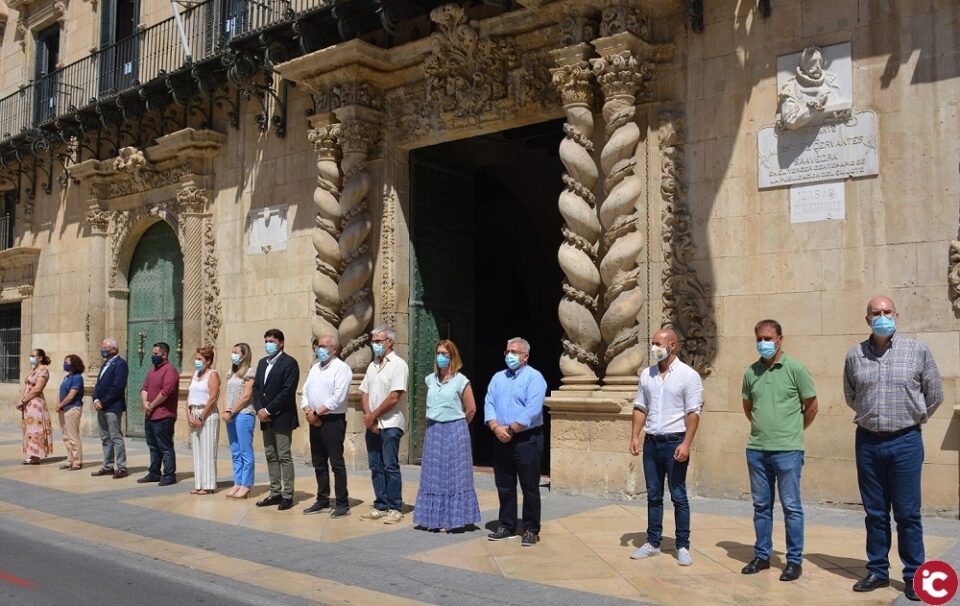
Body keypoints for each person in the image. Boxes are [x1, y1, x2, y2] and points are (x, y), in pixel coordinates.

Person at [844, 296, 943, 603]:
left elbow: (935, 394)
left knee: (908, 514)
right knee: (875, 513)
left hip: (906, 442)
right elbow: (851, 395)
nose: (882, 316)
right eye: (876, 313)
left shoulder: (917, 351)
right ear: (867, 319)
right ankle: (877, 570)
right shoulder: (854, 355)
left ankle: (914, 575)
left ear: (896, 315)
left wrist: (912, 417)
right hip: (868, 442)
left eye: (887, 312)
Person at [741, 319, 818, 582]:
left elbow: (811, 406)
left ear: (780, 339)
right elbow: (748, 407)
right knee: (761, 506)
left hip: (788, 450)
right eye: (759, 339)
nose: (763, 343)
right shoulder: (751, 372)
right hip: (757, 450)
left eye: (768, 338)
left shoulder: (796, 368)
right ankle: (762, 555)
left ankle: (794, 561)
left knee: (791, 507)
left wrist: (793, 431)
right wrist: (765, 429)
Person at [628, 328, 703, 566]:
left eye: (658, 344)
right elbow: (640, 407)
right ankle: (653, 542)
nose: (654, 348)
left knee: (678, 495)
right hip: (652, 443)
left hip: (674, 442)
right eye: (652, 343)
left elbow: (693, 413)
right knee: (653, 495)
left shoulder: (688, 375)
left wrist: (686, 443)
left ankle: (682, 545)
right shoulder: (646, 375)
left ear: (672, 346)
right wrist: (634, 436)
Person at [485, 337, 547, 547]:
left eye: (514, 352)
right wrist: (495, 427)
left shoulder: (534, 378)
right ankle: (507, 524)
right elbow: (489, 403)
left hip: (526, 439)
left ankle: (530, 528)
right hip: (500, 436)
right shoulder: (497, 378)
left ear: (525, 356)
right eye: (507, 351)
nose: (509, 355)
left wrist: (511, 429)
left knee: (529, 486)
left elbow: (533, 408)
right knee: (504, 484)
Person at [413, 339, 480, 532]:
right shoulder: (429, 379)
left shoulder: (461, 380)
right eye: (438, 353)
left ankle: (454, 519)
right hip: (434, 430)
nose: (441, 357)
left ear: (453, 356)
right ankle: (433, 519)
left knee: (454, 475)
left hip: (455, 430)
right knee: (433, 475)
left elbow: (471, 409)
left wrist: (456, 425)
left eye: (445, 354)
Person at [359, 326, 409, 524]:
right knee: (375, 465)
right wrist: (368, 416)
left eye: (378, 341)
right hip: (372, 423)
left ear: (390, 342)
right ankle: (380, 503)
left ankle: (395, 506)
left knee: (390, 465)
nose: (375, 345)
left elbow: (393, 397)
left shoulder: (398, 365)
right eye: (373, 341)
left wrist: (373, 416)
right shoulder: (372, 366)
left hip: (390, 423)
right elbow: (364, 392)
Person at [301, 335, 352, 518]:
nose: (319, 349)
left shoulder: (342, 368)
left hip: (332, 421)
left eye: (323, 346)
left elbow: (337, 397)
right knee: (318, 461)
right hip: (314, 419)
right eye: (318, 346)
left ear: (334, 350)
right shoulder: (315, 368)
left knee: (336, 463)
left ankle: (342, 503)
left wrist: (316, 413)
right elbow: (305, 390)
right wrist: (308, 410)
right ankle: (322, 499)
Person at [253, 329, 300, 511]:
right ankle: (275, 492)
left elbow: (287, 392)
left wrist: (269, 409)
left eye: (271, 341)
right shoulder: (262, 363)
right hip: (265, 417)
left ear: (281, 343)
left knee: (284, 456)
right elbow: (257, 388)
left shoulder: (289, 363)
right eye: (266, 340)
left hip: (281, 417)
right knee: (270, 455)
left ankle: (287, 494)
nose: (268, 344)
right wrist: (259, 409)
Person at [138, 342, 179, 487]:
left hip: (164, 415)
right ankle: (154, 472)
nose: (153, 356)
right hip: (150, 415)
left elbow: (166, 392)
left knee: (165, 446)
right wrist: (145, 402)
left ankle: (169, 474)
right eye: (153, 353)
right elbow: (145, 388)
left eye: (155, 354)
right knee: (153, 446)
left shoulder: (170, 370)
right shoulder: (152, 370)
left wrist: (152, 405)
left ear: (164, 354)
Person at [91, 338, 129, 479]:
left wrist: (104, 402)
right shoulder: (105, 364)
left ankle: (121, 466)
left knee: (115, 437)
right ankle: (107, 466)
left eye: (105, 347)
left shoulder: (120, 364)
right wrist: (95, 398)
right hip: (101, 406)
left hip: (112, 407)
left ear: (113, 349)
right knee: (105, 437)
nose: (103, 349)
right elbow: (98, 384)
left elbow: (117, 387)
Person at [223, 343, 256, 499]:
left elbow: (246, 397)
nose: (233, 355)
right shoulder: (230, 373)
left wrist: (232, 411)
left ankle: (246, 484)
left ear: (244, 354)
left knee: (245, 451)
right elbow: (226, 394)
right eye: (232, 352)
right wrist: (225, 410)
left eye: (236, 352)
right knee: (235, 451)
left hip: (243, 414)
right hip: (230, 415)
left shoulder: (249, 372)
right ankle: (237, 482)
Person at [187, 346, 221, 495]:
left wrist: (201, 416)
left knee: (208, 450)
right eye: (196, 358)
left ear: (208, 361)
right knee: (197, 450)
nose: (197, 361)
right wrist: (188, 413)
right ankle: (199, 483)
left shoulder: (212, 375)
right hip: (194, 411)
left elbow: (212, 398)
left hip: (207, 414)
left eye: (200, 359)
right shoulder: (195, 374)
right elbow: (190, 394)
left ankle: (208, 484)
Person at [18, 348, 53, 464]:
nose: (31, 358)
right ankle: (32, 455)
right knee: (30, 430)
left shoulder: (43, 370)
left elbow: (37, 389)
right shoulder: (34, 369)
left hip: (35, 403)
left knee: (35, 430)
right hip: (28, 403)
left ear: (40, 357)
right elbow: (28, 385)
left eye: (33, 355)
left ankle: (36, 456)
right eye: (30, 355)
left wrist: (23, 400)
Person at [56, 354, 85, 470]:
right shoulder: (66, 377)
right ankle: (70, 460)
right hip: (64, 409)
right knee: (66, 436)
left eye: (67, 362)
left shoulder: (77, 378)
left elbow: (71, 395)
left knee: (73, 436)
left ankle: (77, 461)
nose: (65, 364)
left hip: (72, 408)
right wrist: (58, 405)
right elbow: (61, 392)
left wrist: (61, 404)